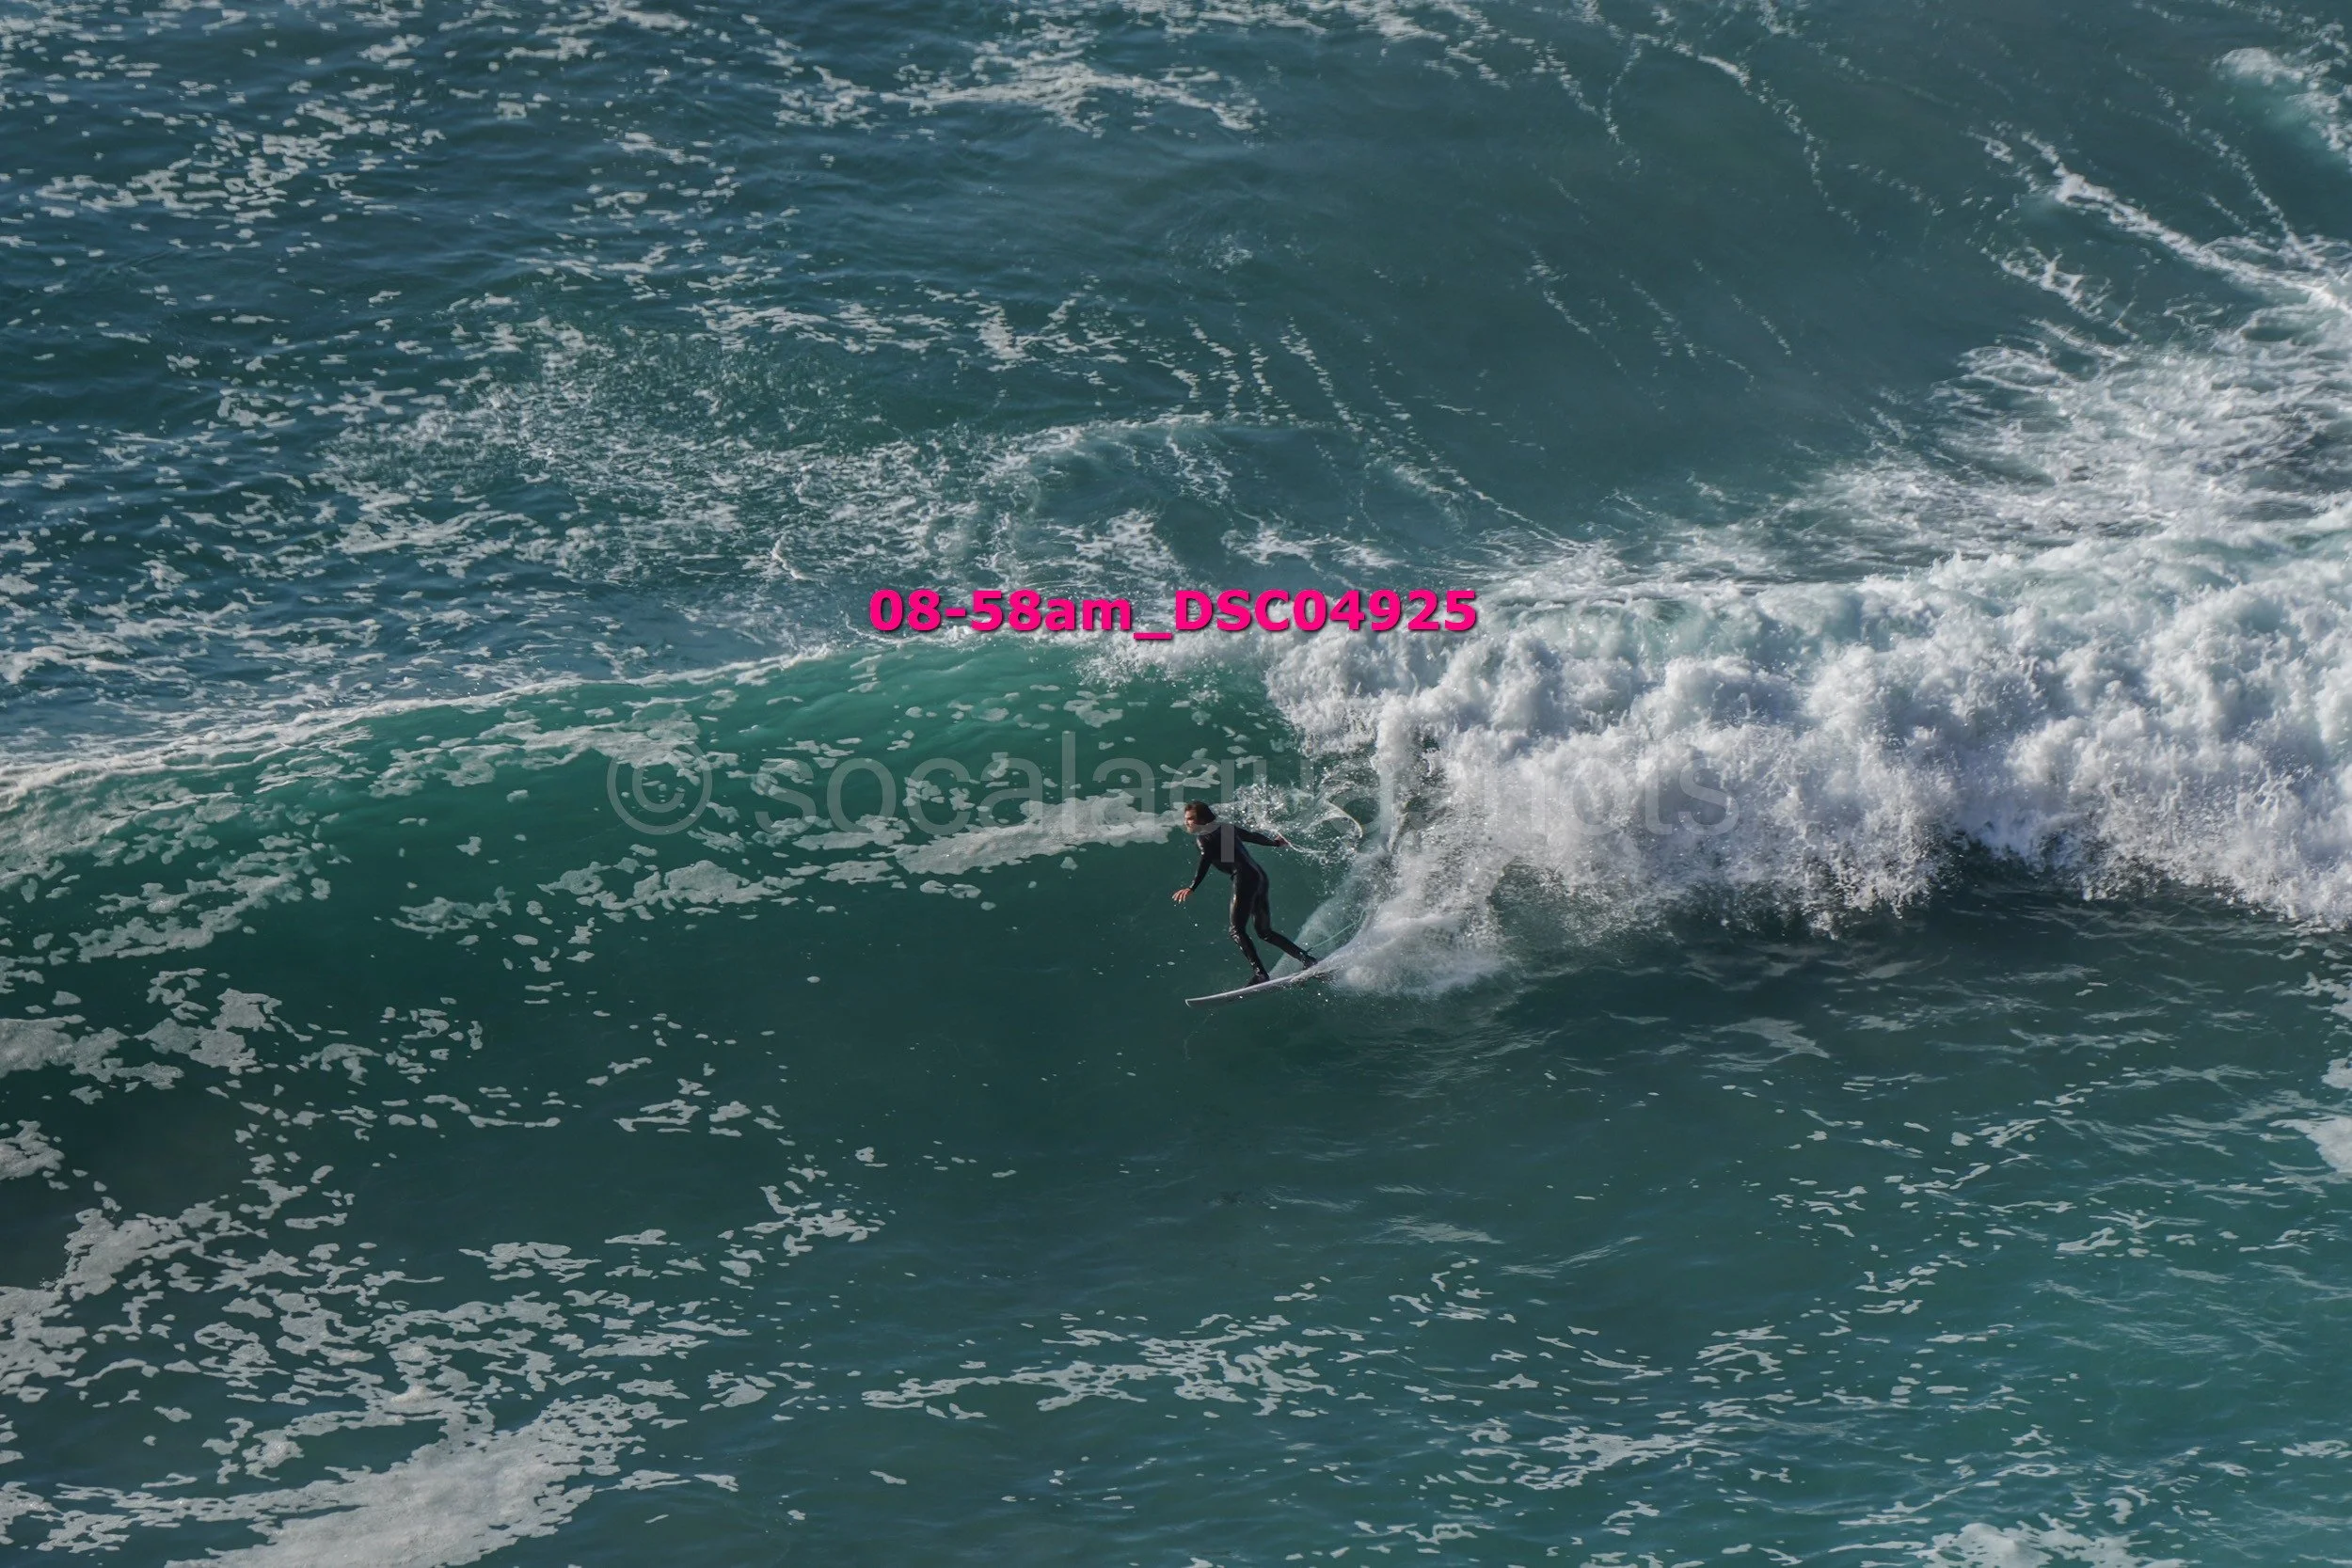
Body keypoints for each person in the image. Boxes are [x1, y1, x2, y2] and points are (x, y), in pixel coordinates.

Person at [1171, 800, 1316, 987]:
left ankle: (1260, 974)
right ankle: (1308, 960)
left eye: (1191, 819)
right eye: (1186, 819)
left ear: (1202, 819)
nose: (1187, 823)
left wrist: (1192, 887)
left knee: (1236, 930)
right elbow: (1252, 836)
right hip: (1259, 876)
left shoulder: (1204, 837)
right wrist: (1275, 843)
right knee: (1264, 932)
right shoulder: (1226, 828)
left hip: (1244, 878)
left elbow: (1205, 860)